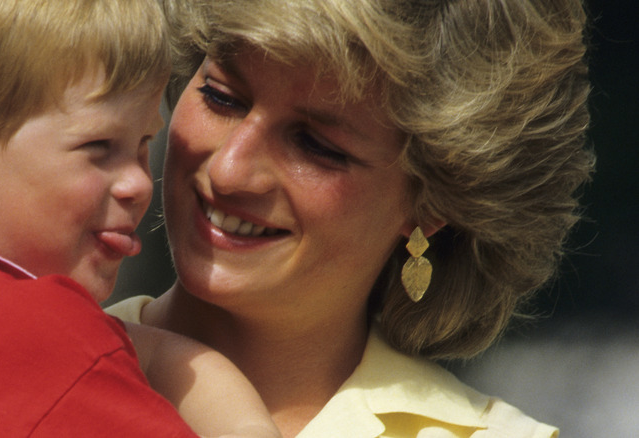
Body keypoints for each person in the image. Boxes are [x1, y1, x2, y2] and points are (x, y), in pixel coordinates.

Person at [105, 0, 595, 436]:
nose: (230, 171)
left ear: (434, 203)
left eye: (316, 145)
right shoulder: (34, 354)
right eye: (221, 97)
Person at [0, 1, 280, 437]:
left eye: (143, 144)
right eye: (99, 147)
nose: (138, 182)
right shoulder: (48, 339)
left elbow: (148, 354)